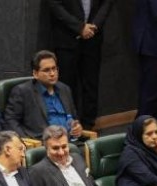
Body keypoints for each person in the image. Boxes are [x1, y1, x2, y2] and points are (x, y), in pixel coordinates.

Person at [46, 0, 115, 130]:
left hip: (93, 37)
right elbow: (55, 5)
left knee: (91, 85)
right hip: (66, 38)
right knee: (67, 86)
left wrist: (95, 25)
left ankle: (88, 127)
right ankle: (69, 127)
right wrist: (80, 27)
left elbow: (107, 2)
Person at [3, 51, 84, 142]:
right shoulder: (23, 92)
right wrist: (26, 142)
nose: (52, 73)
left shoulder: (65, 89)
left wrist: (77, 127)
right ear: (35, 74)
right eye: (46, 70)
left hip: (69, 142)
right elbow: (10, 121)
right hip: (42, 144)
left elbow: (74, 117)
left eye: (54, 69)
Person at [29, 125, 106, 186]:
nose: (61, 152)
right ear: (46, 149)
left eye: (64, 146)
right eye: (55, 148)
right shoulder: (38, 170)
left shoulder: (77, 158)